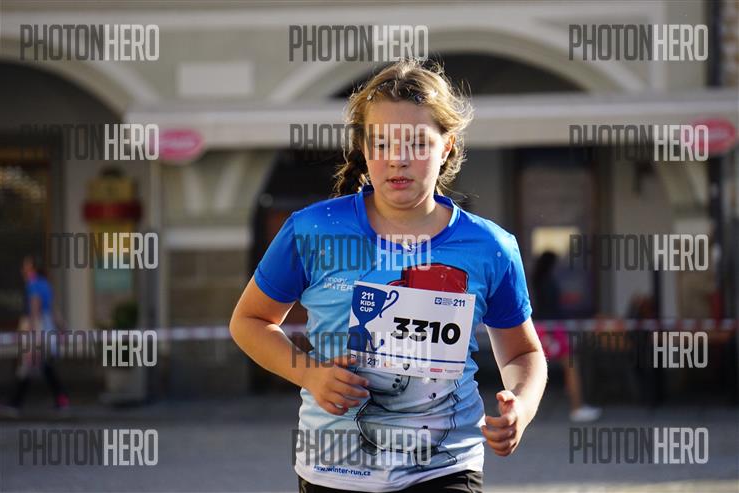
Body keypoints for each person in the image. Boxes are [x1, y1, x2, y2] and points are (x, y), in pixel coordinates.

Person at [230, 59, 547, 492]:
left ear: (447, 146)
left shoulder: (490, 246)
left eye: (417, 142)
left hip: (446, 467)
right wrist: (310, 374)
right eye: (382, 143)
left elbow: (521, 353)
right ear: (364, 148)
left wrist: (521, 408)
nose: (398, 159)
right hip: (335, 470)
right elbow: (249, 321)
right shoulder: (312, 230)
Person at [531, 251, 601, 423]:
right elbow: (550, 307)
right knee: (571, 366)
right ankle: (577, 407)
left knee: (534, 368)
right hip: (551, 329)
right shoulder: (547, 281)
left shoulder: (539, 279)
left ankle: (516, 406)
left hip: (546, 327)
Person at [8, 256, 69, 412]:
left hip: (37, 327)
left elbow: (35, 307)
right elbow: (53, 309)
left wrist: (33, 333)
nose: (23, 270)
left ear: (33, 269)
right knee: (43, 365)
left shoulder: (33, 284)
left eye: (26, 267)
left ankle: (15, 403)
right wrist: (62, 327)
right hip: (47, 326)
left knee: (29, 365)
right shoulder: (46, 284)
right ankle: (60, 399)